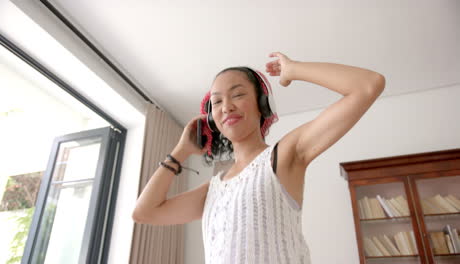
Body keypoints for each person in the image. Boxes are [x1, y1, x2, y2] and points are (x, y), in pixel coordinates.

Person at [132, 52, 385, 263]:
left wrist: (294, 69)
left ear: (263, 104)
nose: (226, 106)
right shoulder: (215, 189)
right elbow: (144, 212)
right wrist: (181, 150)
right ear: (212, 119)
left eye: (238, 94)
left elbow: (368, 85)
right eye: (217, 102)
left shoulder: (283, 155)